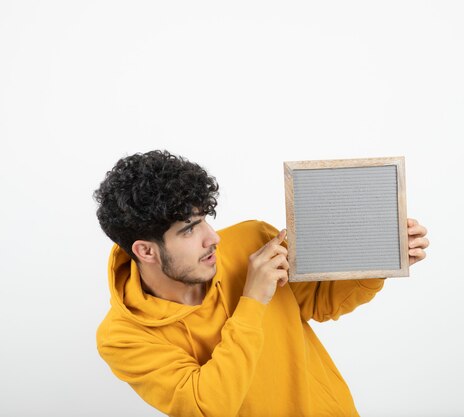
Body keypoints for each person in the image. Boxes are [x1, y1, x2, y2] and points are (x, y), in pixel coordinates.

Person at [94, 150, 429, 417]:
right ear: (145, 251)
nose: (212, 238)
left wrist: (383, 256)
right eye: (189, 229)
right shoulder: (122, 337)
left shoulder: (251, 240)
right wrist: (252, 300)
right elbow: (208, 406)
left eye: (206, 221)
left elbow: (321, 302)